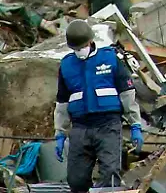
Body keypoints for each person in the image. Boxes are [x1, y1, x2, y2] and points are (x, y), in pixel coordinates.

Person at [53, 20, 143, 193]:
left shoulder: (110, 58)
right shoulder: (66, 65)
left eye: (82, 46)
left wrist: (135, 124)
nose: (80, 51)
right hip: (80, 127)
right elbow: (62, 102)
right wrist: (60, 133)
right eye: (76, 48)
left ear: (90, 41)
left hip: (107, 125)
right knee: (76, 180)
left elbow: (127, 94)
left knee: (110, 175)